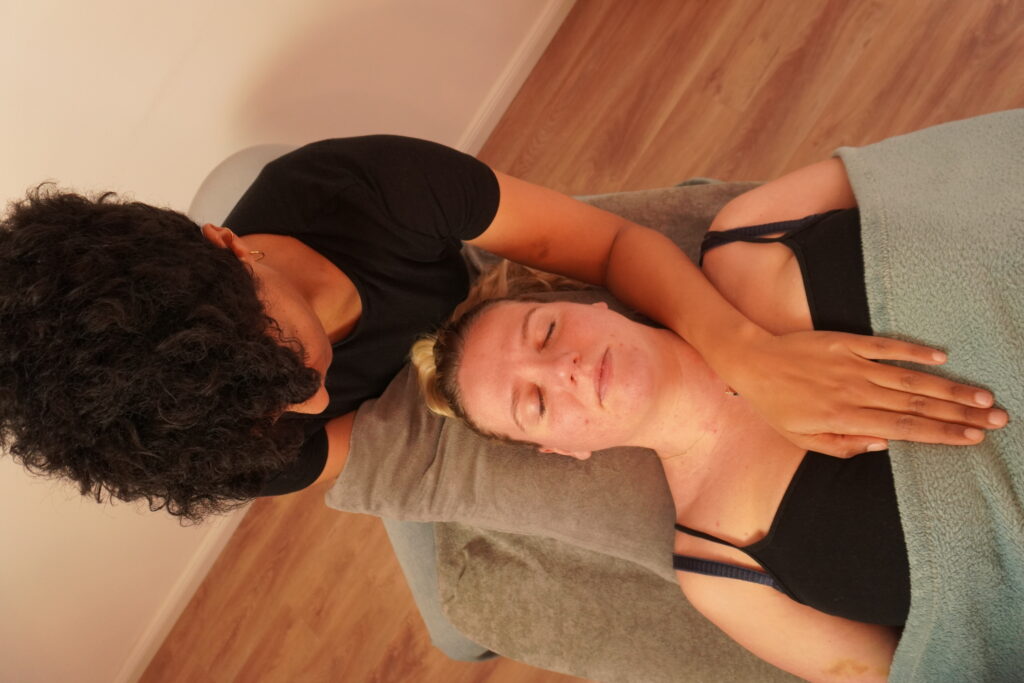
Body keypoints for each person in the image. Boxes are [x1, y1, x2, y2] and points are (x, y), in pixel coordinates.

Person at [0, 135, 997, 523]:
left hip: (478, 269)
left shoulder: (364, 188)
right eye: (284, 410)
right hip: (412, 413)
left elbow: (609, 244)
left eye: (292, 366)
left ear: (227, 246)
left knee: (732, 254)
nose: (311, 397)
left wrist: (749, 358)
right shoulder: (227, 436)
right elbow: (344, 441)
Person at [413, 155, 1014, 681]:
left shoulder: (753, 230)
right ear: (564, 450)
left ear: (589, 304)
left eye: (546, 332)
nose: (562, 369)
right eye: (536, 403)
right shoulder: (724, 572)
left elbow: (960, 168)